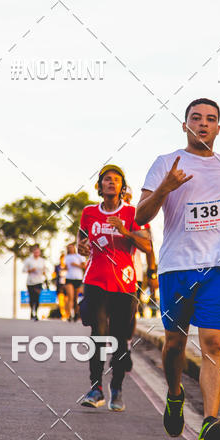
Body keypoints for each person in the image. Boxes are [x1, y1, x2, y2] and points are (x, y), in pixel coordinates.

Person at [136, 98, 220, 440]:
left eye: (210, 119)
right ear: (185, 125)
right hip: (176, 268)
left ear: (219, 127)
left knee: (214, 345)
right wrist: (165, 188)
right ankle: (175, 395)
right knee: (175, 344)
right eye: (196, 118)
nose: (203, 124)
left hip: (217, 270)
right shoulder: (165, 164)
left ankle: (210, 422)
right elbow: (140, 217)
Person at [77, 165, 151, 411]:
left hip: (125, 284)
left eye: (116, 180)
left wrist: (124, 231)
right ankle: (95, 387)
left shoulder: (132, 213)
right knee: (98, 334)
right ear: (99, 186)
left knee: (119, 338)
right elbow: (81, 241)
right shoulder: (88, 212)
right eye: (107, 179)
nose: (111, 183)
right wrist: (82, 248)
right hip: (95, 280)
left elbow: (147, 246)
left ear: (122, 186)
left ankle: (116, 387)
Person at [23, 244, 49, 321]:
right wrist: (31, 270)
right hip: (30, 282)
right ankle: (32, 311)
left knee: (37, 298)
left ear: (39, 253)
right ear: (33, 252)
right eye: (35, 252)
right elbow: (24, 270)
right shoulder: (28, 260)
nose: (36, 253)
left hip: (38, 281)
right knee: (32, 297)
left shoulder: (42, 261)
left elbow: (45, 270)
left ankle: (36, 313)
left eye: (38, 252)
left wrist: (44, 272)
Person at [64, 243, 85, 320]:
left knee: (75, 298)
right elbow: (66, 267)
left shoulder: (79, 256)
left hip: (78, 278)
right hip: (69, 278)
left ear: (74, 248)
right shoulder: (66, 257)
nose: (70, 249)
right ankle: (69, 315)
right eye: (69, 248)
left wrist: (76, 265)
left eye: (71, 247)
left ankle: (76, 314)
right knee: (70, 297)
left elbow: (84, 266)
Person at [54, 253, 69, 320]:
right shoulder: (57, 267)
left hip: (67, 284)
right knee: (61, 301)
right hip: (60, 285)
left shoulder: (68, 267)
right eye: (62, 259)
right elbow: (54, 274)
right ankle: (63, 314)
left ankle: (67, 314)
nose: (63, 260)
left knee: (67, 300)